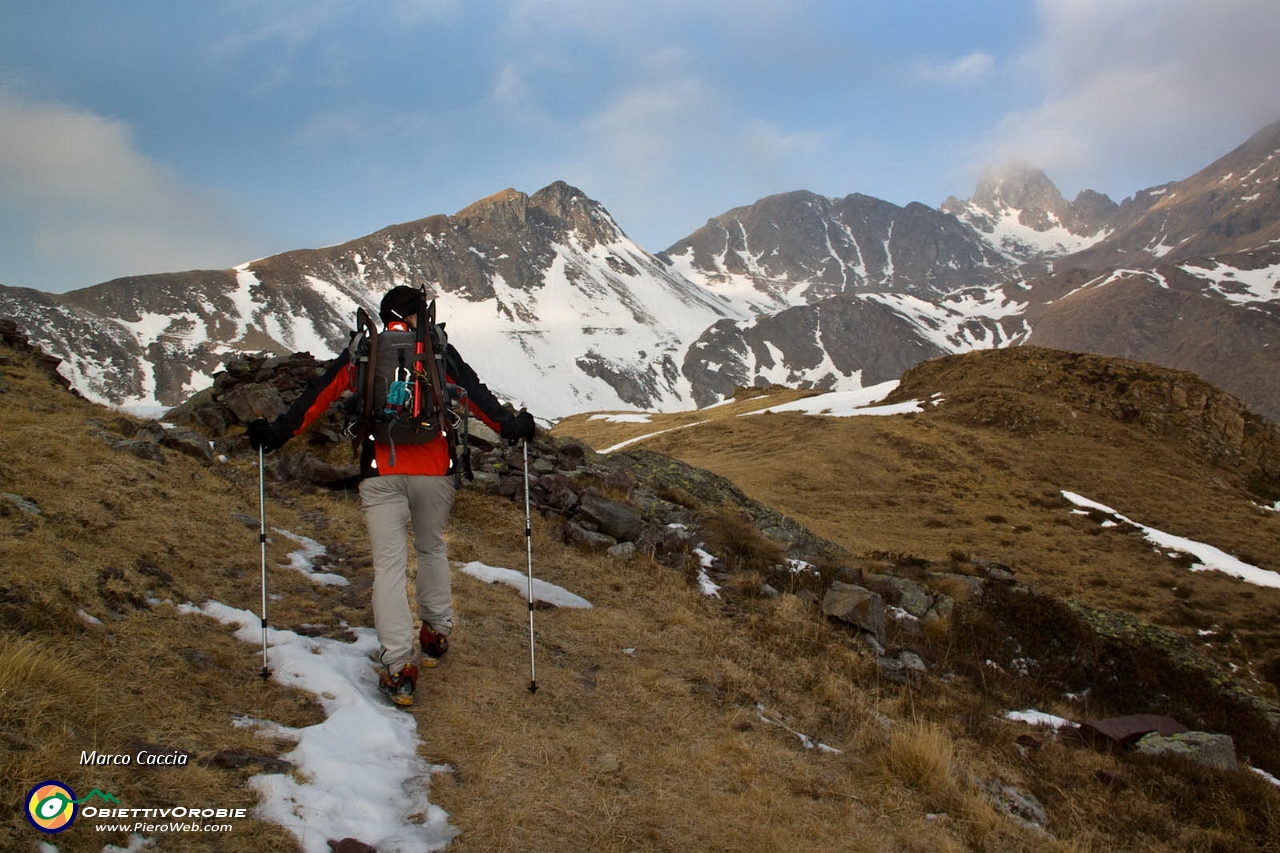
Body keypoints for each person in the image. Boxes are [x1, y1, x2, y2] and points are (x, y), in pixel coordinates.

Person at [247, 286, 536, 707]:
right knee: (432, 548)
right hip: (434, 470)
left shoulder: (364, 351)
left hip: (380, 471)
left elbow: (315, 398)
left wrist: (274, 434)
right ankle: (436, 633)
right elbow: (476, 396)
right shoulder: (436, 351)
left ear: (386, 316)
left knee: (389, 566)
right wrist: (512, 426)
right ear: (420, 314)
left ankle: (399, 666)